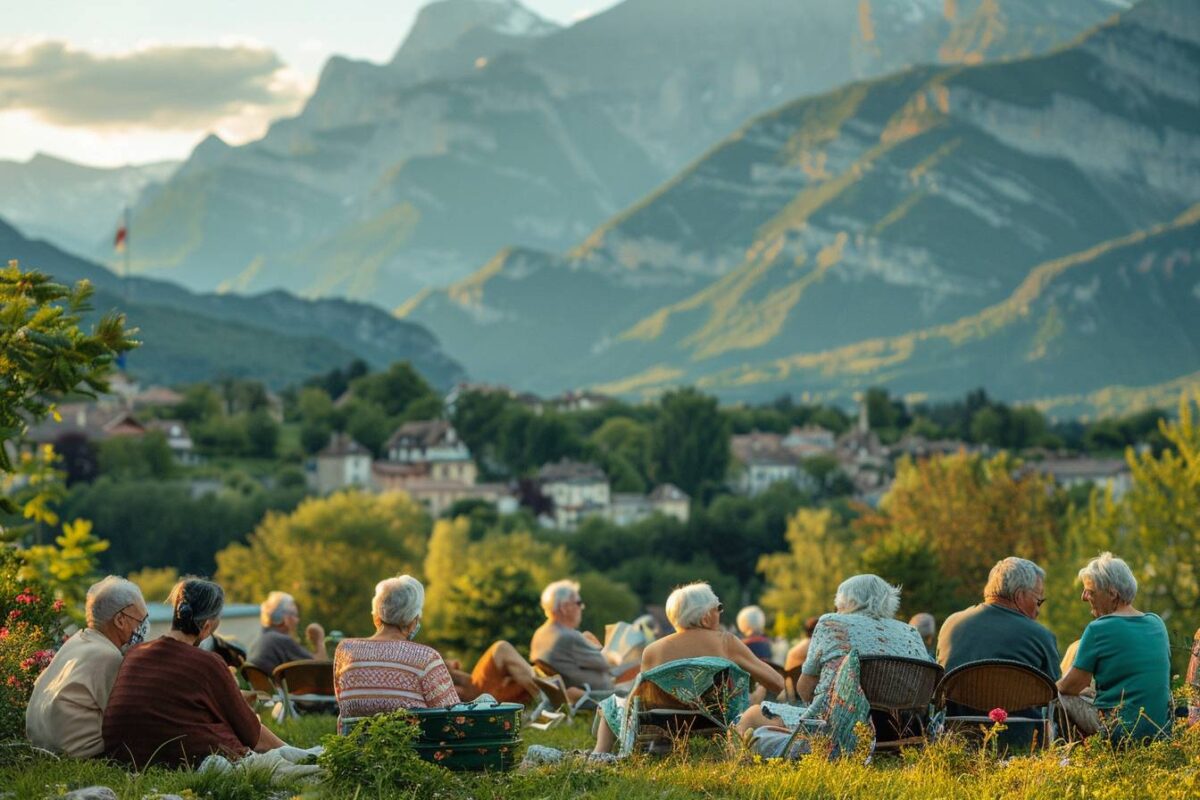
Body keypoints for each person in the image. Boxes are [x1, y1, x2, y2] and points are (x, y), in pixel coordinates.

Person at [103, 577, 288, 768]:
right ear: (206, 627)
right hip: (176, 757)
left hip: (122, 754)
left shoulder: (135, 653)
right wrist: (289, 749)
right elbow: (251, 733)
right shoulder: (208, 663)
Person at [595, 582, 783, 753]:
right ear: (705, 616)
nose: (720, 613)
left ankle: (600, 752)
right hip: (717, 725)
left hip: (667, 729)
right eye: (718, 608)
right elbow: (778, 683)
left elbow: (644, 699)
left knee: (610, 703)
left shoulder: (652, 651)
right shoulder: (726, 642)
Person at [333, 575, 540, 729]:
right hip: (415, 754)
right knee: (486, 700)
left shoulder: (344, 651)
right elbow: (454, 718)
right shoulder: (426, 658)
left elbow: (344, 710)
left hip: (355, 750)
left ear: (376, 615)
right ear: (413, 620)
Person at [736, 574, 930, 737]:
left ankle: (736, 771)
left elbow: (804, 689)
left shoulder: (833, 623)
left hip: (840, 730)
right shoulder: (910, 632)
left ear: (847, 602)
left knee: (752, 715)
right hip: (902, 729)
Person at [937, 557, 1060, 750]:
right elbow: (1054, 694)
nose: (1038, 610)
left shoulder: (950, 625)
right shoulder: (1041, 636)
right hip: (1023, 740)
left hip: (959, 739)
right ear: (1019, 596)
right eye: (1038, 601)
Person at [25, 576, 148, 758]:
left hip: (41, 749)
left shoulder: (76, 642)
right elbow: (126, 718)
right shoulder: (108, 656)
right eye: (141, 620)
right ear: (120, 620)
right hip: (81, 757)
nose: (144, 627)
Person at [1057, 552, 1172, 744]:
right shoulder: (1156, 622)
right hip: (1159, 732)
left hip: (1119, 730)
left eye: (1090, 591)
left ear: (1112, 593)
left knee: (1057, 698)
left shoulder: (1098, 629)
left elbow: (1071, 686)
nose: (1084, 597)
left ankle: (1068, 759)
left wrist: (1051, 688)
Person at [531, 579, 616, 693]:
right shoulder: (567, 637)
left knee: (587, 635)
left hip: (569, 692)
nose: (581, 608)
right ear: (564, 608)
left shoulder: (540, 634)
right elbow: (606, 665)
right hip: (598, 697)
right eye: (578, 603)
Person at [246, 591, 327, 675]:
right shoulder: (282, 640)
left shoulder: (258, 641)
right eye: (294, 614)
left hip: (262, 688)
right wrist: (319, 640)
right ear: (283, 618)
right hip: (278, 688)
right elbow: (321, 669)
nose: (297, 620)